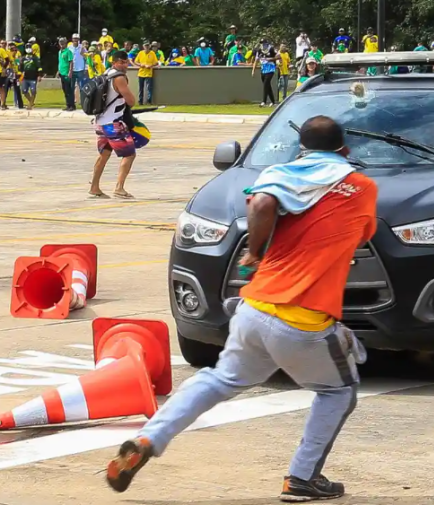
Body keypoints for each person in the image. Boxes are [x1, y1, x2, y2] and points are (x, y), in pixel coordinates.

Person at [105, 115, 378, 502]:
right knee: (338, 393)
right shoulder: (360, 187)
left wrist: (255, 250)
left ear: (302, 150)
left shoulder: (282, 177)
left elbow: (263, 202)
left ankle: (150, 437)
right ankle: (302, 478)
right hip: (303, 320)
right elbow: (362, 233)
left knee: (219, 379)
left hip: (254, 308)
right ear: (344, 151)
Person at [89, 50, 138, 199]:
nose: (125, 65)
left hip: (100, 123)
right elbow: (131, 101)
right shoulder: (119, 78)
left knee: (104, 154)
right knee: (129, 154)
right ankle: (119, 188)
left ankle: (94, 187)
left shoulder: (107, 73)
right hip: (113, 123)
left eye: (126, 61)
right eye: (121, 62)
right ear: (114, 62)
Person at [252, 38, 277, 107]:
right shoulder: (259, 51)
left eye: (264, 44)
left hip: (270, 69)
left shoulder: (271, 49)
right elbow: (256, 61)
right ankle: (273, 101)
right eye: (262, 44)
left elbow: (278, 56)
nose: (263, 45)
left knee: (266, 84)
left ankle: (264, 101)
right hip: (263, 69)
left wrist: (271, 59)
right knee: (267, 86)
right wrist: (253, 70)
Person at [20, 43, 42, 110]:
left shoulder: (35, 58)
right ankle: (31, 102)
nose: (28, 48)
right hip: (25, 78)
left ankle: (30, 105)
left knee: (33, 91)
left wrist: (39, 75)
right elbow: (20, 68)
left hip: (33, 77)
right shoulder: (23, 58)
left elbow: (39, 67)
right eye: (27, 47)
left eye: (29, 47)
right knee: (24, 91)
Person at [57, 37, 75, 111]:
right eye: (60, 43)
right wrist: (58, 71)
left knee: (69, 90)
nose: (62, 45)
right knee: (64, 90)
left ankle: (72, 105)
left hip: (66, 73)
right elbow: (60, 62)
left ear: (66, 43)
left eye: (63, 43)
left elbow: (71, 62)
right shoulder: (60, 52)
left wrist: (70, 72)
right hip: (62, 73)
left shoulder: (68, 51)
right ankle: (68, 105)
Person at [69, 33, 88, 98]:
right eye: (74, 38)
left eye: (77, 39)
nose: (75, 40)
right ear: (72, 39)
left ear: (79, 39)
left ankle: (83, 100)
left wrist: (86, 68)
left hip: (80, 69)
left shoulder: (82, 48)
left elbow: (87, 59)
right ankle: (72, 101)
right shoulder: (69, 48)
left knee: (81, 86)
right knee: (71, 87)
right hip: (72, 69)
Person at [4, 44, 23, 109]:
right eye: (12, 49)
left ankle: (20, 104)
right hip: (9, 74)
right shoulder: (8, 54)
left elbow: (19, 63)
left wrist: (16, 59)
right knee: (5, 89)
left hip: (16, 74)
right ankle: (3, 103)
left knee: (17, 89)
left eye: (15, 49)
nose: (13, 50)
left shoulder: (18, 55)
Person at [0, 40, 8, 110]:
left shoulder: (1, 50)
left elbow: (7, 60)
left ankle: (2, 104)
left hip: (0, 71)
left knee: (1, 88)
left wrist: (4, 68)